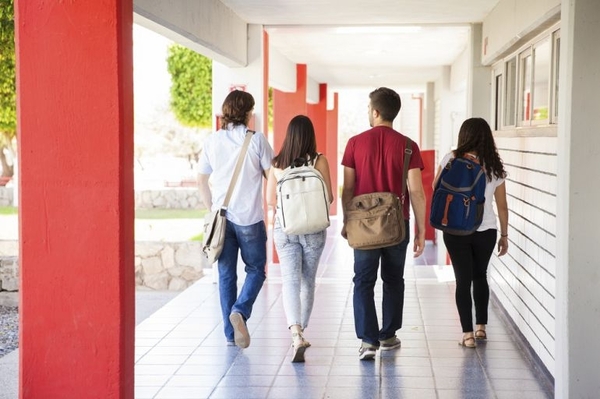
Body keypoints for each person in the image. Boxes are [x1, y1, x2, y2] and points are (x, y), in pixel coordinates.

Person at [340, 87, 427, 360]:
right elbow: (416, 191)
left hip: (363, 226)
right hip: (396, 224)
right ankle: (388, 335)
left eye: (368, 108)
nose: (368, 112)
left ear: (375, 112)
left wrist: (346, 220)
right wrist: (421, 229)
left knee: (363, 280)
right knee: (393, 279)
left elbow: (348, 189)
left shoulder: (354, 143)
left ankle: (368, 341)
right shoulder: (409, 146)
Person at [197, 90, 274, 348]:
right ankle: (240, 311)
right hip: (250, 219)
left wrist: (212, 209)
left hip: (222, 219)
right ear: (248, 113)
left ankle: (230, 335)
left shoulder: (213, 141)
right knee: (256, 270)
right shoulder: (257, 140)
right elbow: (270, 175)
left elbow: (201, 180)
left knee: (226, 274)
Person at [432, 117, 508, 348]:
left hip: (455, 228)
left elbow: (436, 187)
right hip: (486, 230)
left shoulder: (451, 159)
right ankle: (481, 328)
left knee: (462, 280)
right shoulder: (494, 166)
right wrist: (504, 235)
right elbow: (502, 206)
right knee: (480, 276)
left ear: (463, 136)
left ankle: (467, 335)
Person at [266, 115, 334, 363]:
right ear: (310, 136)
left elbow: (271, 201)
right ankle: (302, 330)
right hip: (314, 229)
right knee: (308, 282)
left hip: (285, 229)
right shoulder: (319, 160)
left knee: (290, 281)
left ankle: (295, 334)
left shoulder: (276, 163)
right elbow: (329, 197)